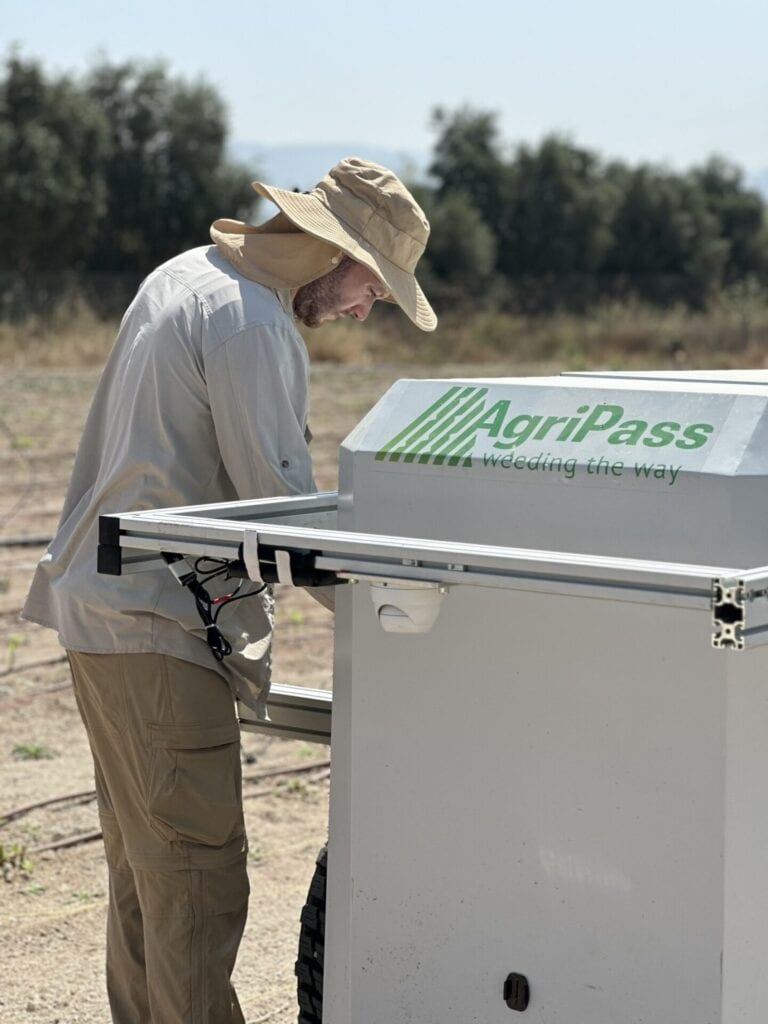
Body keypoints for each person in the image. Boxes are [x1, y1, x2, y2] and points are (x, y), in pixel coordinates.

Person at [22, 156, 436, 1024]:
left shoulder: (188, 276)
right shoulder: (252, 327)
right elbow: (283, 521)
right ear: (332, 252)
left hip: (102, 616)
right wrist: (415, 610)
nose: (368, 309)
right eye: (375, 288)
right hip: (158, 628)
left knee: (147, 878)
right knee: (197, 889)